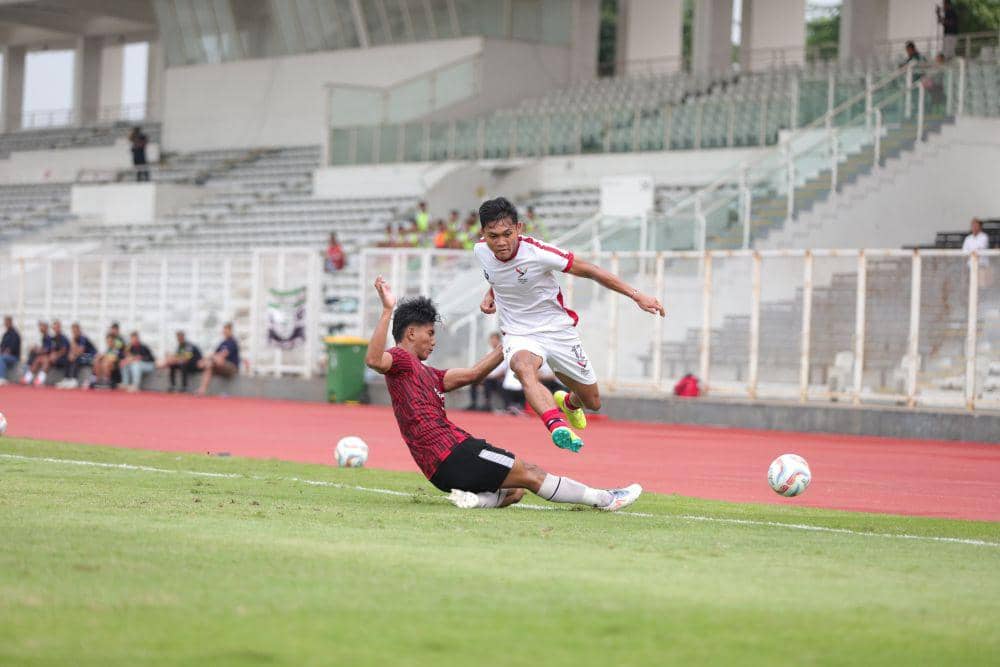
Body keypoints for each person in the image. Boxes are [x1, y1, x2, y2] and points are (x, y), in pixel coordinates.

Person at [364, 276, 642, 511]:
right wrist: (388, 310)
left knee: (515, 491)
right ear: (411, 333)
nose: (434, 341)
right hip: (452, 453)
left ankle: (475, 501)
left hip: (440, 467)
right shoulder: (401, 359)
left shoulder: (427, 373)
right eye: (430, 333)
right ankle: (605, 499)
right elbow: (375, 360)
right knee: (531, 473)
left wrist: (509, 340)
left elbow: (474, 374)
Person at [474, 197, 664, 453]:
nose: (501, 242)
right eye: (493, 236)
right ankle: (557, 426)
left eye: (507, 234)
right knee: (523, 367)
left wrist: (637, 295)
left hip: (558, 331)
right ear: (483, 234)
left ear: (519, 228)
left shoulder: (539, 253)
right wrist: (491, 294)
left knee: (592, 401)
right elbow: (499, 277)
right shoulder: (481, 251)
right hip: (518, 332)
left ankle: (570, 403)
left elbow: (591, 270)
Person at [465, 332, 507, 411]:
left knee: (488, 381)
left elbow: (503, 371)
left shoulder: (503, 352)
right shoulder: (489, 352)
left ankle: (487, 404)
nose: (492, 341)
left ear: (499, 340)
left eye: (494, 339)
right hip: (488, 378)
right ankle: (473, 404)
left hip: (498, 380)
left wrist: (489, 376)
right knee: (473, 382)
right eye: (491, 340)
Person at [196, 322, 240, 395]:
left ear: (231, 331)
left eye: (227, 330)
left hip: (232, 367)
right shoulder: (222, 343)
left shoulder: (233, 342)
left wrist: (208, 361)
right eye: (224, 330)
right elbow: (213, 354)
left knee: (218, 360)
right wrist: (203, 360)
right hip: (220, 366)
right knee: (209, 367)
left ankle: (207, 364)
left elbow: (223, 354)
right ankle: (202, 389)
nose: (225, 332)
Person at [57, 323, 97, 388]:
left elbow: (80, 351)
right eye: (73, 331)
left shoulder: (82, 338)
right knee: (68, 358)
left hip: (91, 356)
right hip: (83, 355)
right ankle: (66, 378)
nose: (74, 333)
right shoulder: (74, 339)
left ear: (79, 330)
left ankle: (74, 379)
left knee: (77, 358)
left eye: (75, 331)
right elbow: (72, 351)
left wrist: (73, 345)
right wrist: (70, 355)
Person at [22, 321, 53, 386]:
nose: (40, 328)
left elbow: (48, 349)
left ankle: (40, 379)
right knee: (37, 359)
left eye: (42, 326)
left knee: (43, 360)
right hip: (41, 356)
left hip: (48, 357)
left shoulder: (49, 338)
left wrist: (38, 350)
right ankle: (28, 378)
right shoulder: (43, 337)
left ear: (46, 328)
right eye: (40, 326)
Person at [0, 316, 21, 385]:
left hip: (14, 357)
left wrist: (6, 352)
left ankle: (2, 378)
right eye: (5, 322)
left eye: (7, 322)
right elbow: (2, 346)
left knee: (1, 358)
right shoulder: (5, 334)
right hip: (4, 355)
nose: (6, 323)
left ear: (10, 322)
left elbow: (13, 348)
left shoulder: (15, 334)